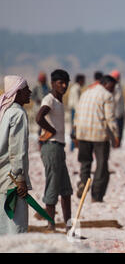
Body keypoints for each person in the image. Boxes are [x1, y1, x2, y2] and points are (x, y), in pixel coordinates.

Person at [36, 70, 72, 231]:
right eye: (60, 83)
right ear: (52, 83)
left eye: (66, 83)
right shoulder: (49, 99)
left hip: (59, 147)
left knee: (66, 190)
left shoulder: (58, 100)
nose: (64, 86)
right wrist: (51, 130)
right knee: (53, 186)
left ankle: (69, 224)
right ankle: (51, 225)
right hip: (52, 147)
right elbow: (39, 117)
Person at [74, 75, 119, 202]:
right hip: (99, 134)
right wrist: (116, 135)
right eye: (112, 87)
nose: (113, 90)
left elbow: (77, 113)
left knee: (85, 162)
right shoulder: (107, 95)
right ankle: (97, 195)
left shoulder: (86, 93)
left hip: (82, 133)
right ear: (106, 84)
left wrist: (75, 132)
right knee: (102, 165)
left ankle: (83, 182)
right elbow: (110, 118)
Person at [0, 76, 32, 234]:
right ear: (18, 93)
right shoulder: (18, 113)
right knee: (16, 227)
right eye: (26, 90)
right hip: (12, 179)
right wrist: (20, 178)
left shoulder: (5, 111)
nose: (30, 92)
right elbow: (17, 148)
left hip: (2, 176)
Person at [68, 74, 85, 151]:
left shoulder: (74, 87)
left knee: (74, 128)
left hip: (74, 110)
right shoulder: (76, 88)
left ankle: (74, 146)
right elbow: (76, 103)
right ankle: (73, 147)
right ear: (80, 80)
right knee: (75, 129)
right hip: (75, 111)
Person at [109, 70, 125, 146]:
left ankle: (117, 143)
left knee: (120, 129)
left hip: (120, 111)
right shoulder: (113, 86)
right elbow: (116, 99)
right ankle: (115, 144)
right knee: (116, 129)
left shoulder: (118, 86)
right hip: (115, 112)